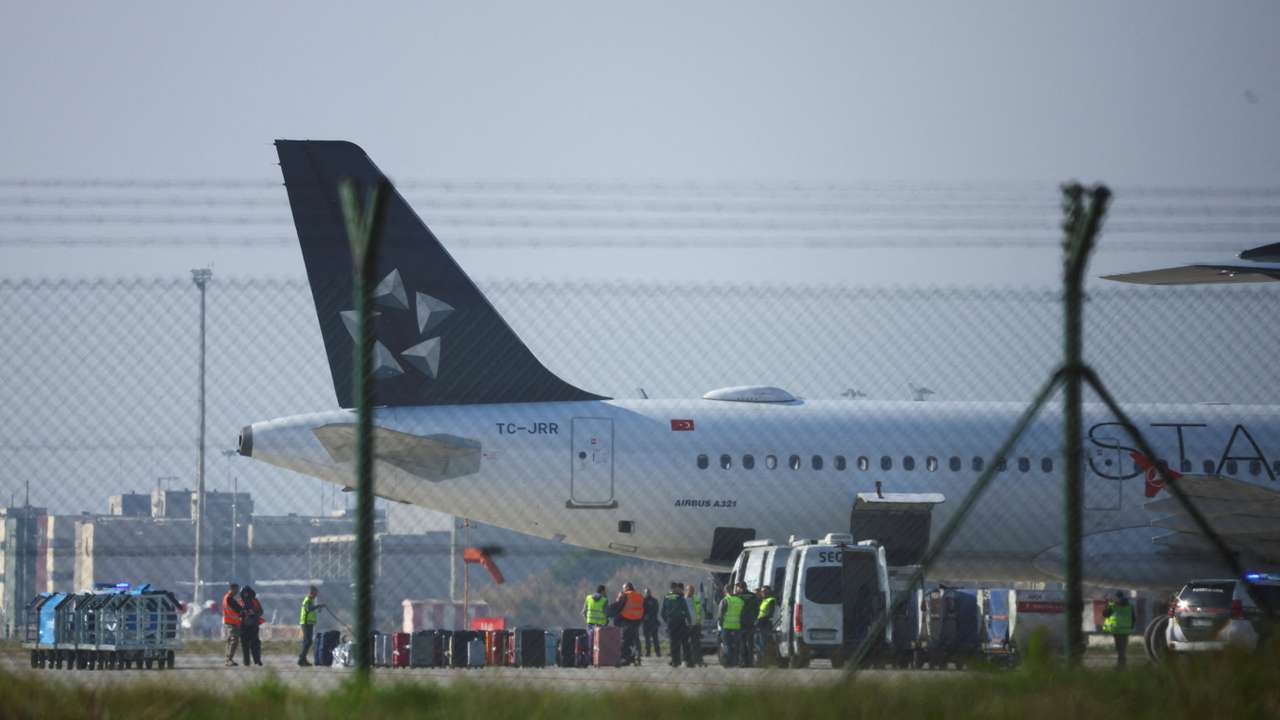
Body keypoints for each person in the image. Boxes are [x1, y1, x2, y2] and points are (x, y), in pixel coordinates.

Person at [660, 581, 691, 668]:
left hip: (671, 622)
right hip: (681, 621)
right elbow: (686, 610)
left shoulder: (667, 597)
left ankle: (675, 661)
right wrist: (689, 621)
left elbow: (662, 612)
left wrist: (667, 620)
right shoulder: (680, 597)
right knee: (684, 641)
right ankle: (687, 660)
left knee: (673, 642)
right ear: (676, 588)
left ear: (670, 588)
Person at [1102, 590, 1135, 667]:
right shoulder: (1130, 606)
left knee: (1119, 648)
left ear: (1117, 597)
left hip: (1117, 629)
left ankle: (1121, 664)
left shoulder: (1114, 606)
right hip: (1126, 629)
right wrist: (1131, 626)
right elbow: (1133, 618)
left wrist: (1107, 604)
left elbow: (1105, 614)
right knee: (1123, 647)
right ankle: (1123, 663)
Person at [718, 582, 747, 667]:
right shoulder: (740, 601)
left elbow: (720, 615)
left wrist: (720, 625)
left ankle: (728, 662)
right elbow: (743, 614)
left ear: (725, 591)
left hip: (726, 627)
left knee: (727, 645)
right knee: (736, 645)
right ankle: (736, 662)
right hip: (737, 626)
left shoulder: (725, 600)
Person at [617, 582, 646, 665]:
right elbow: (644, 607)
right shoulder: (639, 595)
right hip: (637, 620)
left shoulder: (625, 595)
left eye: (624, 588)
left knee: (625, 639)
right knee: (636, 639)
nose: (623, 589)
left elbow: (618, 606)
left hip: (627, 620)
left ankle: (624, 657)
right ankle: (637, 656)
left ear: (627, 587)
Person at [298, 585, 325, 667]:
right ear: (311, 593)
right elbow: (309, 609)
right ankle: (301, 659)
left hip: (309, 623)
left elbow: (312, 610)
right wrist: (318, 606)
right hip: (305, 623)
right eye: (315, 593)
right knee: (308, 641)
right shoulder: (307, 600)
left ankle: (303, 659)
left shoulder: (311, 601)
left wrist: (318, 607)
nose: (316, 595)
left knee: (307, 642)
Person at [239, 586, 264, 667]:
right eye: (244, 593)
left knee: (255, 644)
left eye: (247, 593)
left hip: (253, 625)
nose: (246, 595)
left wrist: (254, 613)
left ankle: (257, 660)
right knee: (244, 645)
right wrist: (243, 613)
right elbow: (236, 612)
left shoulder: (255, 601)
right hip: (243, 626)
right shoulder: (240, 601)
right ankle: (246, 662)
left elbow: (260, 611)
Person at [738, 583, 761, 667]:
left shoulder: (738, 596)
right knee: (750, 643)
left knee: (742, 643)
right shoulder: (752, 596)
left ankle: (743, 662)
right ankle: (750, 662)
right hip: (750, 623)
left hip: (740, 623)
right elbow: (757, 608)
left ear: (740, 588)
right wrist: (754, 618)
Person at [755, 586, 778, 666]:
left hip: (765, 624)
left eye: (764, 591)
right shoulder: (763, 600)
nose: (763, 592)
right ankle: (760, 661)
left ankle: (764, 662)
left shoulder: (770, 600)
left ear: (769, 592)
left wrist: (760, 621)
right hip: (760, 624)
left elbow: (770, 614)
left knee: (763, 644)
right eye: (762, 591)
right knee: (758, 643)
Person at [222, 582, 242, 667]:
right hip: (232, 622)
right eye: (236, 589)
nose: (237, 591)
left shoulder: (229, 598)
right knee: (234, 641)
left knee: (230, 641)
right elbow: (238, 609)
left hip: (231, 622)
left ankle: (228, 659)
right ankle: (229, 659)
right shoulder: (229, 599)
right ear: (232, 589)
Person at [685, 584, 704, 667]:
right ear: (687, 590)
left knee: (696, 644)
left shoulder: (696, 599)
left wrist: (701, 622)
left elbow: (701, 610)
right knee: (687, 644)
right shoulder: (683, 600)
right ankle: (688, 661)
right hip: (686, 625)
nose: (692, 592)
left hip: (696, 625)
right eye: (690, 590)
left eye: (693, 590)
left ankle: (698, 660)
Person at [641, 588, 661, 657]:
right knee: (647, 638)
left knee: (655, 638)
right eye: (646, 592)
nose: (647, 593)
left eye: (648, 592)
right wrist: (643, 616)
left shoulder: (654, 601)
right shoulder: (642, 601)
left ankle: (657, 652)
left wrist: (648, 615)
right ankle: (648, 652)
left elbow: (656, 610)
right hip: (646, 622)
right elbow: (640, 610)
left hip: (653, 622)